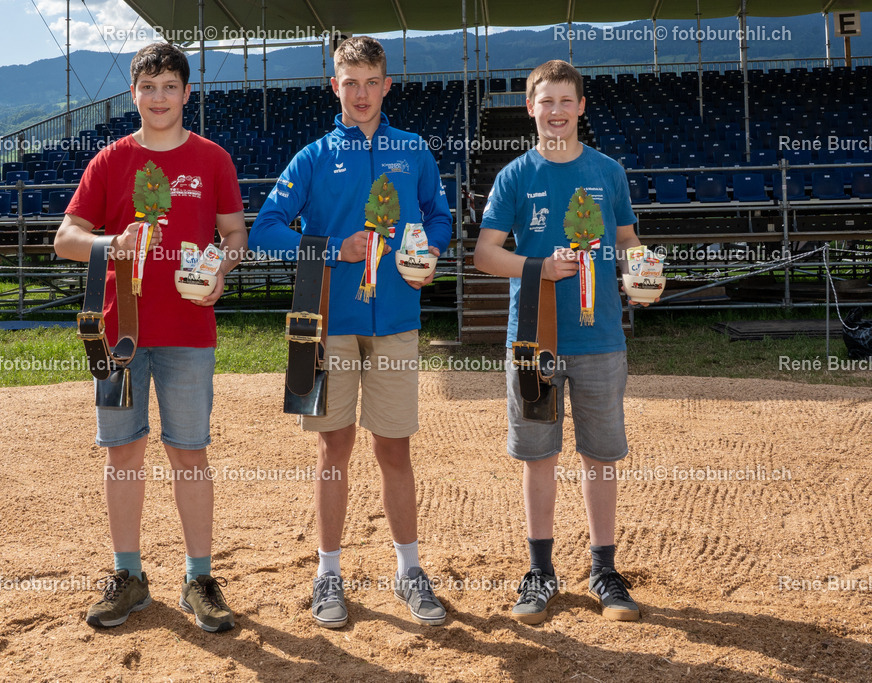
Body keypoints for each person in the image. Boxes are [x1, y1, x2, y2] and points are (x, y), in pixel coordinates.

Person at [248, 36, 453, 628]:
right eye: (349, 81)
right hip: (330, 323)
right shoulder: (312, 157)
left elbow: (439, 217)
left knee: (395, 449)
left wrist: (429, 249)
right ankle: (328, 574)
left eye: (371, 81)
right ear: (332, 86)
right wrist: (336, 249)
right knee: (333, 448)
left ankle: (409, 571)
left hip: (395, 321)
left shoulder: (413, 151)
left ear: (388, 85)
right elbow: (265, 230)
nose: (360, 93)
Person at [54, 42, 247, 633]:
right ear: (134, 94)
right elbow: (66, 237)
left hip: (190, 331)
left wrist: (221, 269)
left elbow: (234, 233)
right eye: (148, 86)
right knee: (124, 452)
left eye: (170, 86)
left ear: (187, 94)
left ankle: (199, 577)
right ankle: (128, 575)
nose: (159, 97)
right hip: (121, 335)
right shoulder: (111, 160)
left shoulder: (213, 159)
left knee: (190, 452)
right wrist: (112, 246)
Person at [473, 59, 646, 625]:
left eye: (565, 101)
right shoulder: (515, 177)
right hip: (535, 340)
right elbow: (485, 254)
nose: (556, 112)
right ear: (530, 107)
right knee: (538, 456)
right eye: (545, 101)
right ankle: (540, 570)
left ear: (581, 107)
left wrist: (643, 271)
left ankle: (603, 569)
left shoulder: (608, 172)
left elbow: (626, 239)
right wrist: (539, 268)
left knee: (600, 456)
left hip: (601, 339)